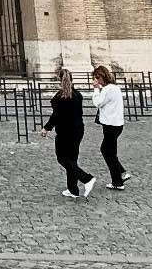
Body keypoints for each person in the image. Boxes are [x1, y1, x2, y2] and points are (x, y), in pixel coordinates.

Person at [44, 68, 94, 199]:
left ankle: (87, 178)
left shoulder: (59, 97)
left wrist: (46, 128)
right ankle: (73, 190)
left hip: (65, 132)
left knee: (62, 158)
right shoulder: (78, 95)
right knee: (72, 159)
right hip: (78, 130)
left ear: (59, 80)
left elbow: (56, 116)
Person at [90, 65, 129, 190]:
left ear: (102, 77)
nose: (96, 81)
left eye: (97, 78)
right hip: (116, 124)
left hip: (111, 125)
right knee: (109, 151)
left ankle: (118, 182)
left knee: (108, 152)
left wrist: (96, 89)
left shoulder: (107, 89)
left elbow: (98, 103)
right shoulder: (114, 88)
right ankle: (122, 173)